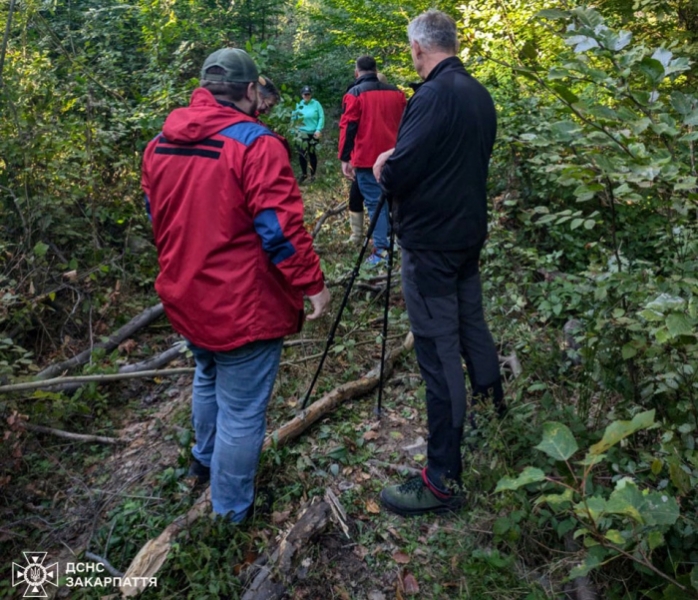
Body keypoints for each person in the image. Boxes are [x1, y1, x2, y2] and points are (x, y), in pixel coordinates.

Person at [142, 48, 331, 523]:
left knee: (207, 375)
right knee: (242, 412)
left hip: (186, 297)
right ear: (250, 91)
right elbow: (280, 230)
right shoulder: (256, 145)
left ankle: (201, 463)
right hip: (241, 306)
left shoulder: (159, 145)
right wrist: (313, 286)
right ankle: (229, 516)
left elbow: (158, 219)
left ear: (205, 89)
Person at [373, 10, 504, 517]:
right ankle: (496, 415)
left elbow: (402, 170)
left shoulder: (431, 95)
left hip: (432, 245)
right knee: (472, 327)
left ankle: (442, 477)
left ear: (416, 47)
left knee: (438, 348)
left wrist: (385, 164)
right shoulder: (477, 93)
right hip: (466, 236)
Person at [338, 56, 406, 266]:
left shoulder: (355, 94)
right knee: (394, 200)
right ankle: (396, 243)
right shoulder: (397, 93)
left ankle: (381, 250)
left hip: (367, 158)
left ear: (356, 73)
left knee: (374, 202)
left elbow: (348, 126)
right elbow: (407, 123)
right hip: (395, 156)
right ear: (376, 71)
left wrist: (345, 157)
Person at [292, 86, 325, 183]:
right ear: (302, 95)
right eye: (305, 94)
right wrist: (294, 132)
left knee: (312, 154)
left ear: (311, 94)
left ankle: (313, 175)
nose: (307, 96)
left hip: (313, 133)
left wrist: (318, 130)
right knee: (302, 154)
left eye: (308, 94)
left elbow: (321, 117)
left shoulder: (316, 104)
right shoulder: (298, 104)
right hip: (301, 133)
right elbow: (293, 118)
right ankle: (304, 174)